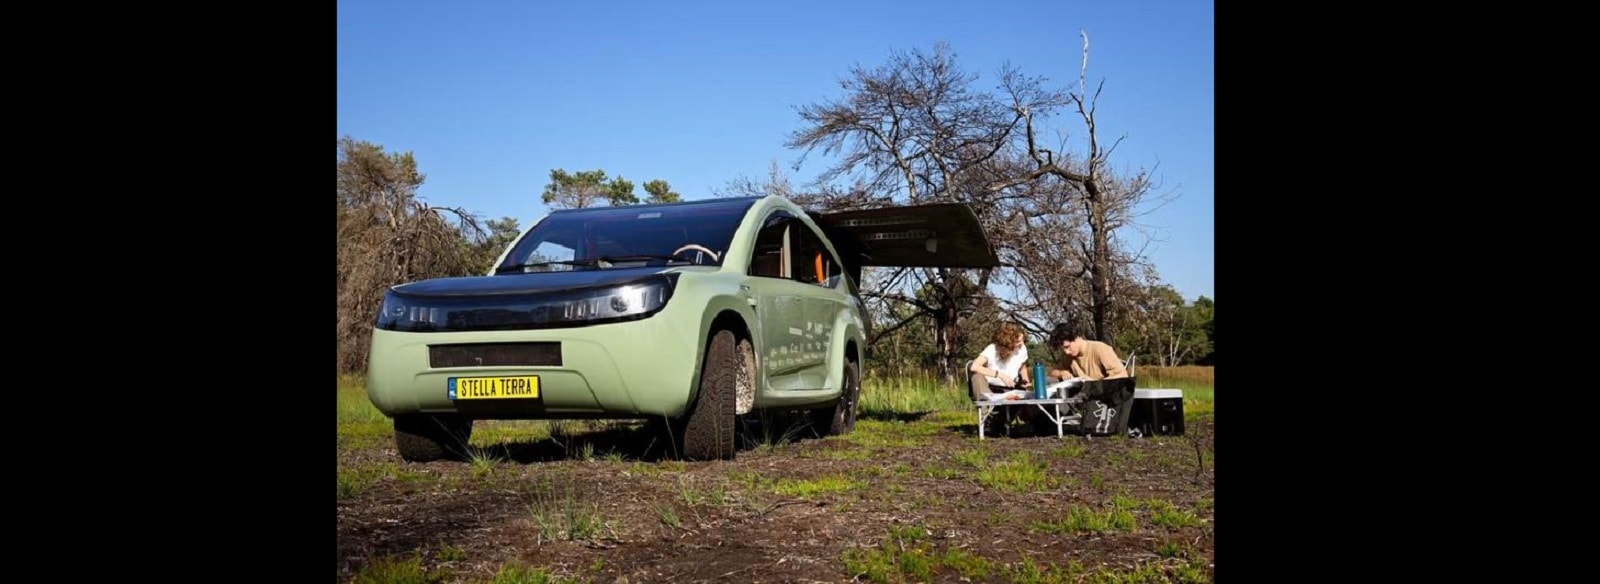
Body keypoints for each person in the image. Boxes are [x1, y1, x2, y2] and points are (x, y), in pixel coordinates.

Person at [1044, 320, 1128, 396]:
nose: (1066, 352)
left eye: (1067, 347)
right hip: (1082, 397)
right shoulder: (1068, 356)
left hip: (1103, 398)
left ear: (1076, 338)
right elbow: (1053, 372)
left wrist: (1094, 384)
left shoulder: (1100, 349)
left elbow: (1122, 375)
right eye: (1063, 349)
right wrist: (1062, 373)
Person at [968, 322, 1033, 402]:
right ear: (1008, 341)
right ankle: (987, 409)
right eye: (1018, 341)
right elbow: (974, 366)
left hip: (1012, 389)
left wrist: (1025, 379)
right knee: (976, 376)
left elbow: (1022, 366)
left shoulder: (1022, 349)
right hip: (992, 389)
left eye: (1022, 340)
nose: (1021, 343)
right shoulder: (992, 349)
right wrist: (1001, 375)